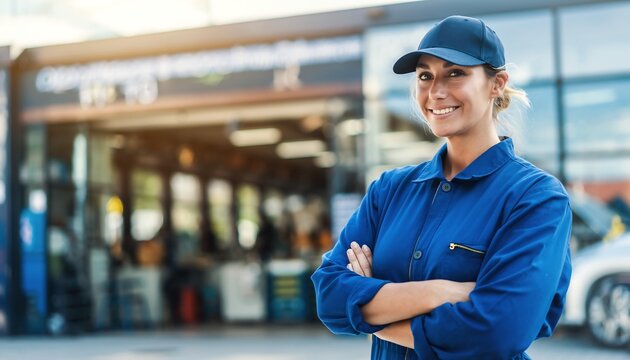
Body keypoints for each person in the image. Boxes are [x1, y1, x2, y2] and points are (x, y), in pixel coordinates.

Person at [311, 15, 572, 360]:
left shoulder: (536, 198)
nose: (436, 91)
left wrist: (368, 309)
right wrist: (439, 292)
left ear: (497, 83)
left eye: (455, 73)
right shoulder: (389, 191)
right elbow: (329, 295)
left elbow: (494, 332)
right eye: (425, 76)